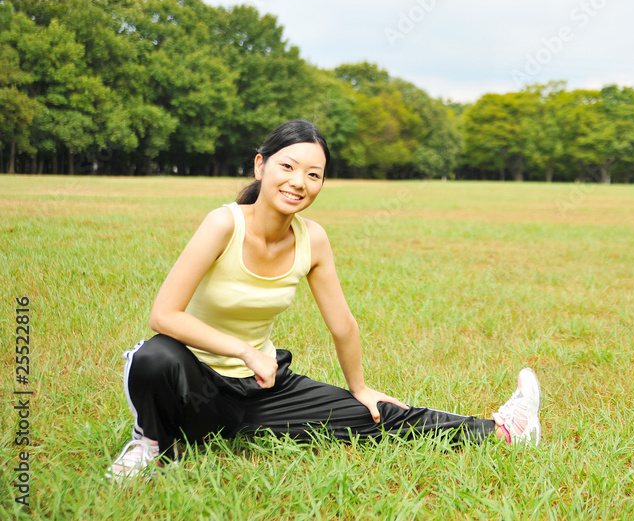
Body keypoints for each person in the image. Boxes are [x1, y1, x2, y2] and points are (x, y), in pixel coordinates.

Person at [107, 119, 541, 482]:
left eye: (313, 174)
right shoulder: (223, 224)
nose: (299, 182)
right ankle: (152, 443)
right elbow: (163, 315)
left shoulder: (312, 239)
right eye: (288, 166)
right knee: (154, 357)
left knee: (374, 417)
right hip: (193, 385)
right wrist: (242, 350)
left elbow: (343, 324)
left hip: (260, 390)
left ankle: (505, 430)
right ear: (261, 166)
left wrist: (360, 389)